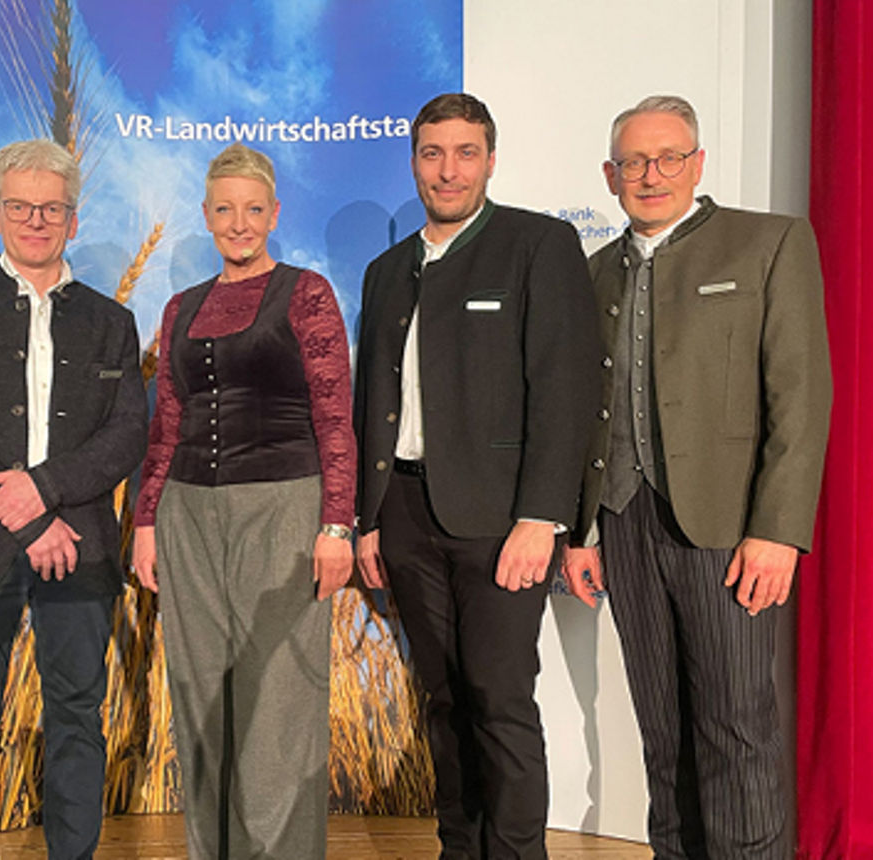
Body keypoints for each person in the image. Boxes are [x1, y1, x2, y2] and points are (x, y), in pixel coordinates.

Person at [562, 95, 831, 860]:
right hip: (624, 523)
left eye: (668, 158)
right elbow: (582, 413)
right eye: (635, 162)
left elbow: (801, 397)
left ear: (698, 163)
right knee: (663, 733)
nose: (652, 175)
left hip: (729, 530)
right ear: (610, 175)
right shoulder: (593, 273)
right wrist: (582, 531)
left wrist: (777, 531)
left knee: (736, 730)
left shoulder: (768, 243)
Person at [352, 93, 598, 859]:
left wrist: (542, 518)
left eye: (465, 153)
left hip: (502, 522)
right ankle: (460, 850)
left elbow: (564, 389)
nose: (448, 170)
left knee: (500, 700)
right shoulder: (385, 271)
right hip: (404, 516)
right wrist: (368, 519)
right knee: (443, 700)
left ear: (490, 160)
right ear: (413, 163)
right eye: (433, 153)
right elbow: (371, 401)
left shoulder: (539, 244)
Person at [0, 138, 147, 859]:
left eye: (51, 208)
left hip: (78, 547)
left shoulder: (111, 320)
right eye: (20, 207)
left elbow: (126, 435)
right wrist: (27, 517)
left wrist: (43, 492)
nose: (35, 221)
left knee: (77, 717)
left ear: (73, 219)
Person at [130, 142, 356, 859]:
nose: (239, 223)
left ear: (274, 214)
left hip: (285, 507)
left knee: (281, 697)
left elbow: (335, 418)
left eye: (253, 209)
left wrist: (337, 525)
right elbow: (167, 424)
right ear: (206, 215)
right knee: (200, 695)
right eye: (225, 210)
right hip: (187, 513)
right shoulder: (180, 306)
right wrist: (145, 521)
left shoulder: (307, 293)